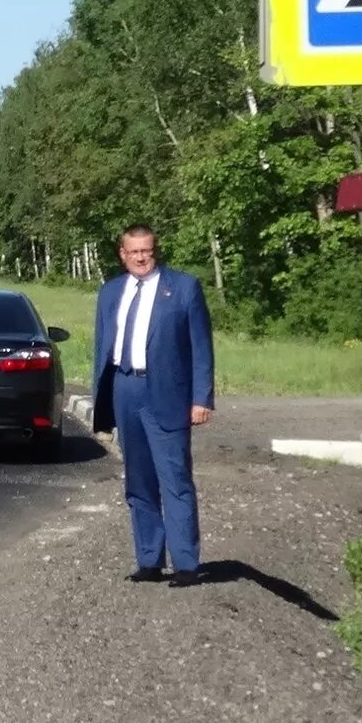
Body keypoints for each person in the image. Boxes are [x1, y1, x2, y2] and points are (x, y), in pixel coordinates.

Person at [89, 224, 215, 586]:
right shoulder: (111, 291)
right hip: (125, 389)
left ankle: (187, 564)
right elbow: (102, 348)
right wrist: (104, 399)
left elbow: (201, 347)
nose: (141, 257)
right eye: (134, 252)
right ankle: (149, 559)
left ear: (155, 251)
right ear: (122, 254)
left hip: (167, 393)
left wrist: (200, 398)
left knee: (174, 479)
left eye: (147, 250)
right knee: (138, 481)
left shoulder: (183, 288)